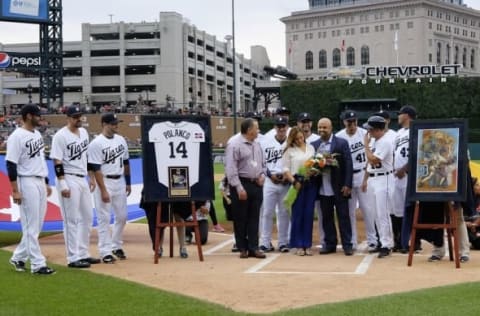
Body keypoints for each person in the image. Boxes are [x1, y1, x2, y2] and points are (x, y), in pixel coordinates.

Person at [6, 104, 56, 275]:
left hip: (39, 180)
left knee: (36, 226)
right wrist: (15, 190)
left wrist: (46, 181)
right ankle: (37, 264)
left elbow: (40, 160)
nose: (40, 118)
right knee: (30, 226)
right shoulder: (17, 136)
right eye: (37, 115)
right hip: (25, 181)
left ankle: (18, 257)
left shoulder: (36, 134)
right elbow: (11, 164)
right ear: (28, 116)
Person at [50, 105, 100, 268]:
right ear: (68, 118)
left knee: (87, 217)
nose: (79, 119)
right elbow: (57, 161)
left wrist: (91, 177)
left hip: (82, 178)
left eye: (80, 116)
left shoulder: (84, 133)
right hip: (68, 178)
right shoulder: (60, 136)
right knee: (71, 219)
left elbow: (86, 157)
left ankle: (83, 253)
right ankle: (72, 257)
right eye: (75, 116)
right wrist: (62, 183)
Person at [88, 113, 131, 262]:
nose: (116, 125)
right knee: (104, 218)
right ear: (104, 124)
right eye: (113, 123)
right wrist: (103, 190)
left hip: (119, 181)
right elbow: (95, 168)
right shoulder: (96, 143)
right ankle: (105, 251)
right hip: (104, 181)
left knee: (122, 216)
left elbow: (126, 162)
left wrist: (129, 182)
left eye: (116, 123)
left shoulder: (121, 140)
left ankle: (116, 245)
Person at [225, 118, 266, 259]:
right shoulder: (234, 144)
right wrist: (238, 187)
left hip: (256, 184)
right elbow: (231, 168)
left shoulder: (257, 144)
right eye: (257, 128)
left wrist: (262, 175)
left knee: (254, 217)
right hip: (242, 183)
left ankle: (254, 247)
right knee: (241, 217)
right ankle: (242, 247)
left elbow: (263, 164)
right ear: (249, 130)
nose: (259, 131)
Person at [312, 118, 354, 256]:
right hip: (323, 188)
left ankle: (347, 245)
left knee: (343, 216)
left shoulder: (341, 143)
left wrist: (348, 184)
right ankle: (330, 244)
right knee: (326, 217)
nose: (322, 130)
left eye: (325, 127)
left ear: (331, 128)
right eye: (319, 127)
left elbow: (348, 164)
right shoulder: (314, 145)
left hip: (339, 187)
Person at [336, 110, 376, 252]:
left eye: (354, 121)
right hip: (347, 177)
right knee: (350, 211)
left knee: (367, 209)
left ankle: (372, 240)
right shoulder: (339, 136)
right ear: (344, 122)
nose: (352, 124)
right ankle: (352, 241)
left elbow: (370, 156)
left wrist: (366, 177)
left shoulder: (365, 134)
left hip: (363, 174)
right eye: (349, 122)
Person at [362, 115, 395, 258]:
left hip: (385, 179)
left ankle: (387, 245)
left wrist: (365, 146)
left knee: (383, 214)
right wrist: (365, 180)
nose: (368, 132)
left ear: (377, 129)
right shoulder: (375, 141)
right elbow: (369, 165)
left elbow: (374, 160)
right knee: (375, 214)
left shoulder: (385, 142)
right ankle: (382, 242)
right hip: (373, 179)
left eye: (370, 129)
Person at [283, 126, 318, 256]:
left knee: (309, 214)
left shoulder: (311, 148)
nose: (299, 140)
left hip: (310, 182)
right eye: (296, 138)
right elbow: (285, 169)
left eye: (301, 137)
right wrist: (294, 182)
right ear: (292, 139)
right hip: (297, 181)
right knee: (297, 214)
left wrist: (314, 171)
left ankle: (307, 245)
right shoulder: (289, 150)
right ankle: (298, 244)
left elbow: (315, 163)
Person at [259, 116, 290, 253]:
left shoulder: (291, 143)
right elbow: (262, 163)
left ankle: (283, 242)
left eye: (283, 125)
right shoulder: (266, 142)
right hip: (270, 181)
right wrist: (270, 175)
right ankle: (265, 242)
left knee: (284, 213)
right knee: (267, 212)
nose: (281, 128)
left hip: (285, 182)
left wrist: (286, 176)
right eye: (279, 126)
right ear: (275, 127)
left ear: (287, 127)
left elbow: (293, 162)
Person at [392, 105, 416, 252]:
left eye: (400, 114)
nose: (398, 116)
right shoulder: (399, 133)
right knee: (398, 210)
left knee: (410, 210)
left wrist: (405, 168)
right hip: (397, 176)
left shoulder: (416, 129)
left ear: (407, 115)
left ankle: (414, 242)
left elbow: (418, 153)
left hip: (409, 176)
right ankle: (402, 242)